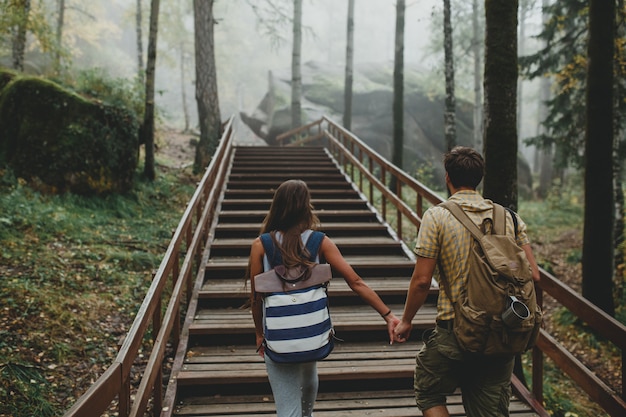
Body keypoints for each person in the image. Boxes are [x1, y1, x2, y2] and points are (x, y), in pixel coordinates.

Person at [393, 146, 540, 417]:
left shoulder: (436, 216)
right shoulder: (510, 218)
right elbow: (534, 274)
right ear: (479, 179)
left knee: (429, 390)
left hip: (456, 329)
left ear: (447, 177)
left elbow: (422, 281)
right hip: (501, 330)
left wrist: (406, 321)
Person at [247, 179, 400, 417]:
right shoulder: (319, 242)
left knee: (288, 410)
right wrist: (388, 315)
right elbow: (355, 282)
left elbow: (256, 298)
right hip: (312, 331)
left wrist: (259, 334)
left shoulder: (261, 245)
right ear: (306, 207)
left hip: (278, 336)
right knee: (308, 380)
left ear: (277, 206)